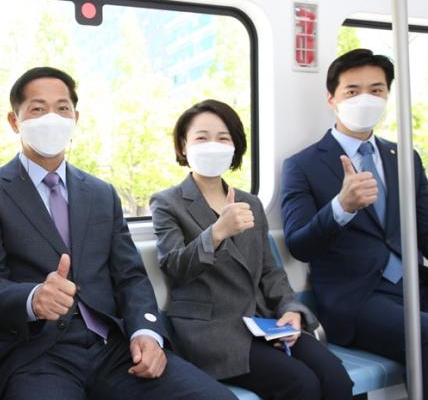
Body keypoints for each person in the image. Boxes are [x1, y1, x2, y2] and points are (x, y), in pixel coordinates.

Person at [0, 67, 236, 400]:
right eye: (38, 108)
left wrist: (146, 332)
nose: (52, 118)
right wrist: (33, 298)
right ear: (14, 121)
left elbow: (130, 276)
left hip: (113, 347)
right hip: (38, 356)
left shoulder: (101, 193)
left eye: (62, 108)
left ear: (75, 118)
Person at [150, 99, 353, 399]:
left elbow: (270, 271)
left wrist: (290, 309)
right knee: (302, 384)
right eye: (202, 138)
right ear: (183, 146)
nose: (213, 146)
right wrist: (217, 232)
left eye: (223, 138)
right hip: (210, 332)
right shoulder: (167, 202)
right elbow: (175, 267)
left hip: (263, 321)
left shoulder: (251, 203)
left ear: (235, 147)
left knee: (335, 377)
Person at [281, 48, 428, 387]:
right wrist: (341, 208)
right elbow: (300, 245)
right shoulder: (302, 165)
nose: (365, 99)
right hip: (356, 299)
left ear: (387, 96)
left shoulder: (404, 157)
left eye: (376, 90)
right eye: (352, 91)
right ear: (332, 98)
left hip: (412, 284)